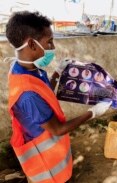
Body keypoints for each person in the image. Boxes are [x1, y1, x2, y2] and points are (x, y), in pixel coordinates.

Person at [6, 11, 111, 183]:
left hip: (54, 154)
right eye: (49, 42)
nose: (52, 48)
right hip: (46, 166)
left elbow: (44, 90)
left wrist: (57, 73)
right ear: (32, 44)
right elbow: (58, 129)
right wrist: (93, 112)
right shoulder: (28, 94)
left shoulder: (25, 68)